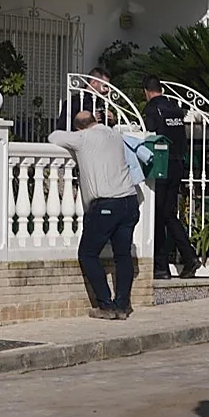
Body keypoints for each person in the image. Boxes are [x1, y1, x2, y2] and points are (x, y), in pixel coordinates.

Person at [49, 110, 140, 319]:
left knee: (88, 254)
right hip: (129, 200)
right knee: (123, 255)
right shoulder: (115, 135)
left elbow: (53, 137)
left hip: (106, 203)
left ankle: (105, 305)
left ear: (78, 127)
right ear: (95, 120)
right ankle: (122, 305)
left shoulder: (82, 138)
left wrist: (76, 136)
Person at [142, 76, 200, 280]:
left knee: (158, 214)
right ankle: (187, 257)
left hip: (160, 164)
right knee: (166, 214)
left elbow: (149, 135)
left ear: (146, 91)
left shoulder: (152, 109)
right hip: (177, 164)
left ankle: (162, 266)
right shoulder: (174, 108)